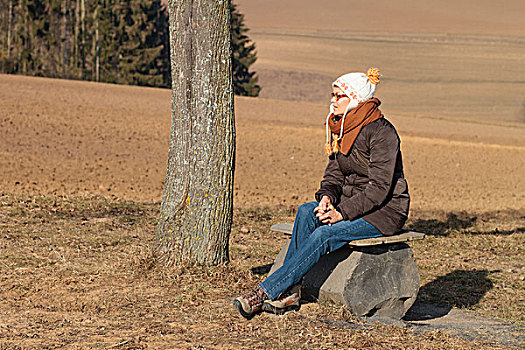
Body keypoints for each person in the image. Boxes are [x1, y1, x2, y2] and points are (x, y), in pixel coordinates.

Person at [232, 67, 410, 319]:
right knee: (307, 211)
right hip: (352, 204)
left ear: (357, 99)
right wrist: (327, 197)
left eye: (340, 96)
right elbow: (334, 174)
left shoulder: (382, 133)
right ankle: (291, 292)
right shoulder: (343, 128)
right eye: (333, 95)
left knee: (324, 234)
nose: (332, 100)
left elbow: (379, 189)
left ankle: (265, 292)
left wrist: (342, 213)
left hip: (383, 212)